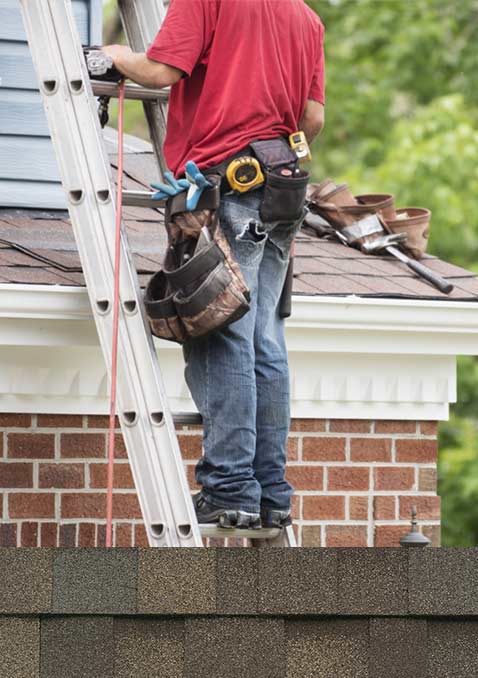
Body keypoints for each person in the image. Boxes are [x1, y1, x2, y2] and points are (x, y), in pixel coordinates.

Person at [102, 0, 326, 531]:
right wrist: (276, 148)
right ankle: (270, 492)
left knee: (224, 329)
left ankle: (228, 487)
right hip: (283, 185)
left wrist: (115, 54)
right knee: (265, 340)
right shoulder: (305, 16)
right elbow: (312, 118)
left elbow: (160, 73)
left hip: (231, 182)